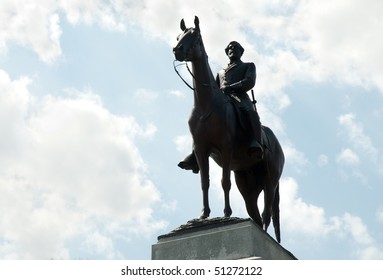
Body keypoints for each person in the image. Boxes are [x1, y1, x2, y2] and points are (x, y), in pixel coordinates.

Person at [178, 41, 263, 173]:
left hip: (239, 97)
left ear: (241, 52)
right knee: (201, 120)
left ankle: (256, 142)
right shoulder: (221, 73)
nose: (232, 50)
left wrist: (231, 87)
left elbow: (249, 82)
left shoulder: (248, 66)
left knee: (251, 113)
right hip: (223, 100)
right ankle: (195, 155)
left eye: (236, 48)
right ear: (226, 52)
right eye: (230, 48)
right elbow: (214, 90)